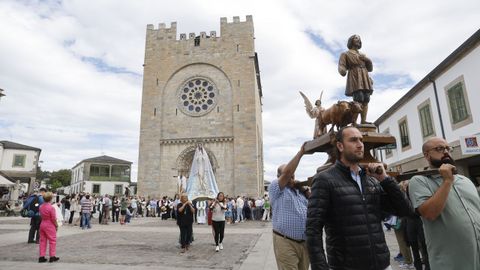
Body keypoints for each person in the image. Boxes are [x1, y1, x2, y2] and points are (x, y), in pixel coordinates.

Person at [306, 126, 412, 270]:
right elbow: (313, 229)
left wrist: (385, 179)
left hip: (381, 264)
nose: (360, 144)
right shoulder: (324, 180)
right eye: (353, 140)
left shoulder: (372, 180)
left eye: (361, 140)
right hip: (346, 266)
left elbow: (405, 210)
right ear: (340, 146)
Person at [408, 137, 480, 270]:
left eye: (448, 148)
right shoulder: (419, 181)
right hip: (451, 262)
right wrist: (447, 181)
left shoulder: (466, 180)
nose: (446, 152)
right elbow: (429, 214)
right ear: (427, 155)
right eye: (439, 149)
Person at [269, 143, 310, 270]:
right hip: (286, 242)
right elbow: (286, 173)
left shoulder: (300, 193)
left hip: (304, 242)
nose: (291, 178)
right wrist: (300, 153)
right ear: (279, 177)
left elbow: (315, 205)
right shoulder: (276, 189)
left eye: (293, 176)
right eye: (288, 176)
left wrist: (304, 190)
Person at [338, 35, 373, 124]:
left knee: (366, 98)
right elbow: (342, 65)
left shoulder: (362, 55)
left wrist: (367, 60)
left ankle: (363, 120)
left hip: (364, 75)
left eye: (359, 39)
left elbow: (370, 69)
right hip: (355, 76)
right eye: (356, 38)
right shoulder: (346, 54)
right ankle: (354, 121)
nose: (358, 40)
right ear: (351, 41)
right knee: (359, 98)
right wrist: (342, 70)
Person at [37, 192, 59, 263]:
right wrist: (56, 225)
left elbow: (41, 215)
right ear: (50, 199)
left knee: (42, 241)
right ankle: (52, 256)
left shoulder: (41, 206)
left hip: (42, 224)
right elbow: (53, 219)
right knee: (52, 241)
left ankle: (41, 256)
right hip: (49, 225)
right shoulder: (51, 208)